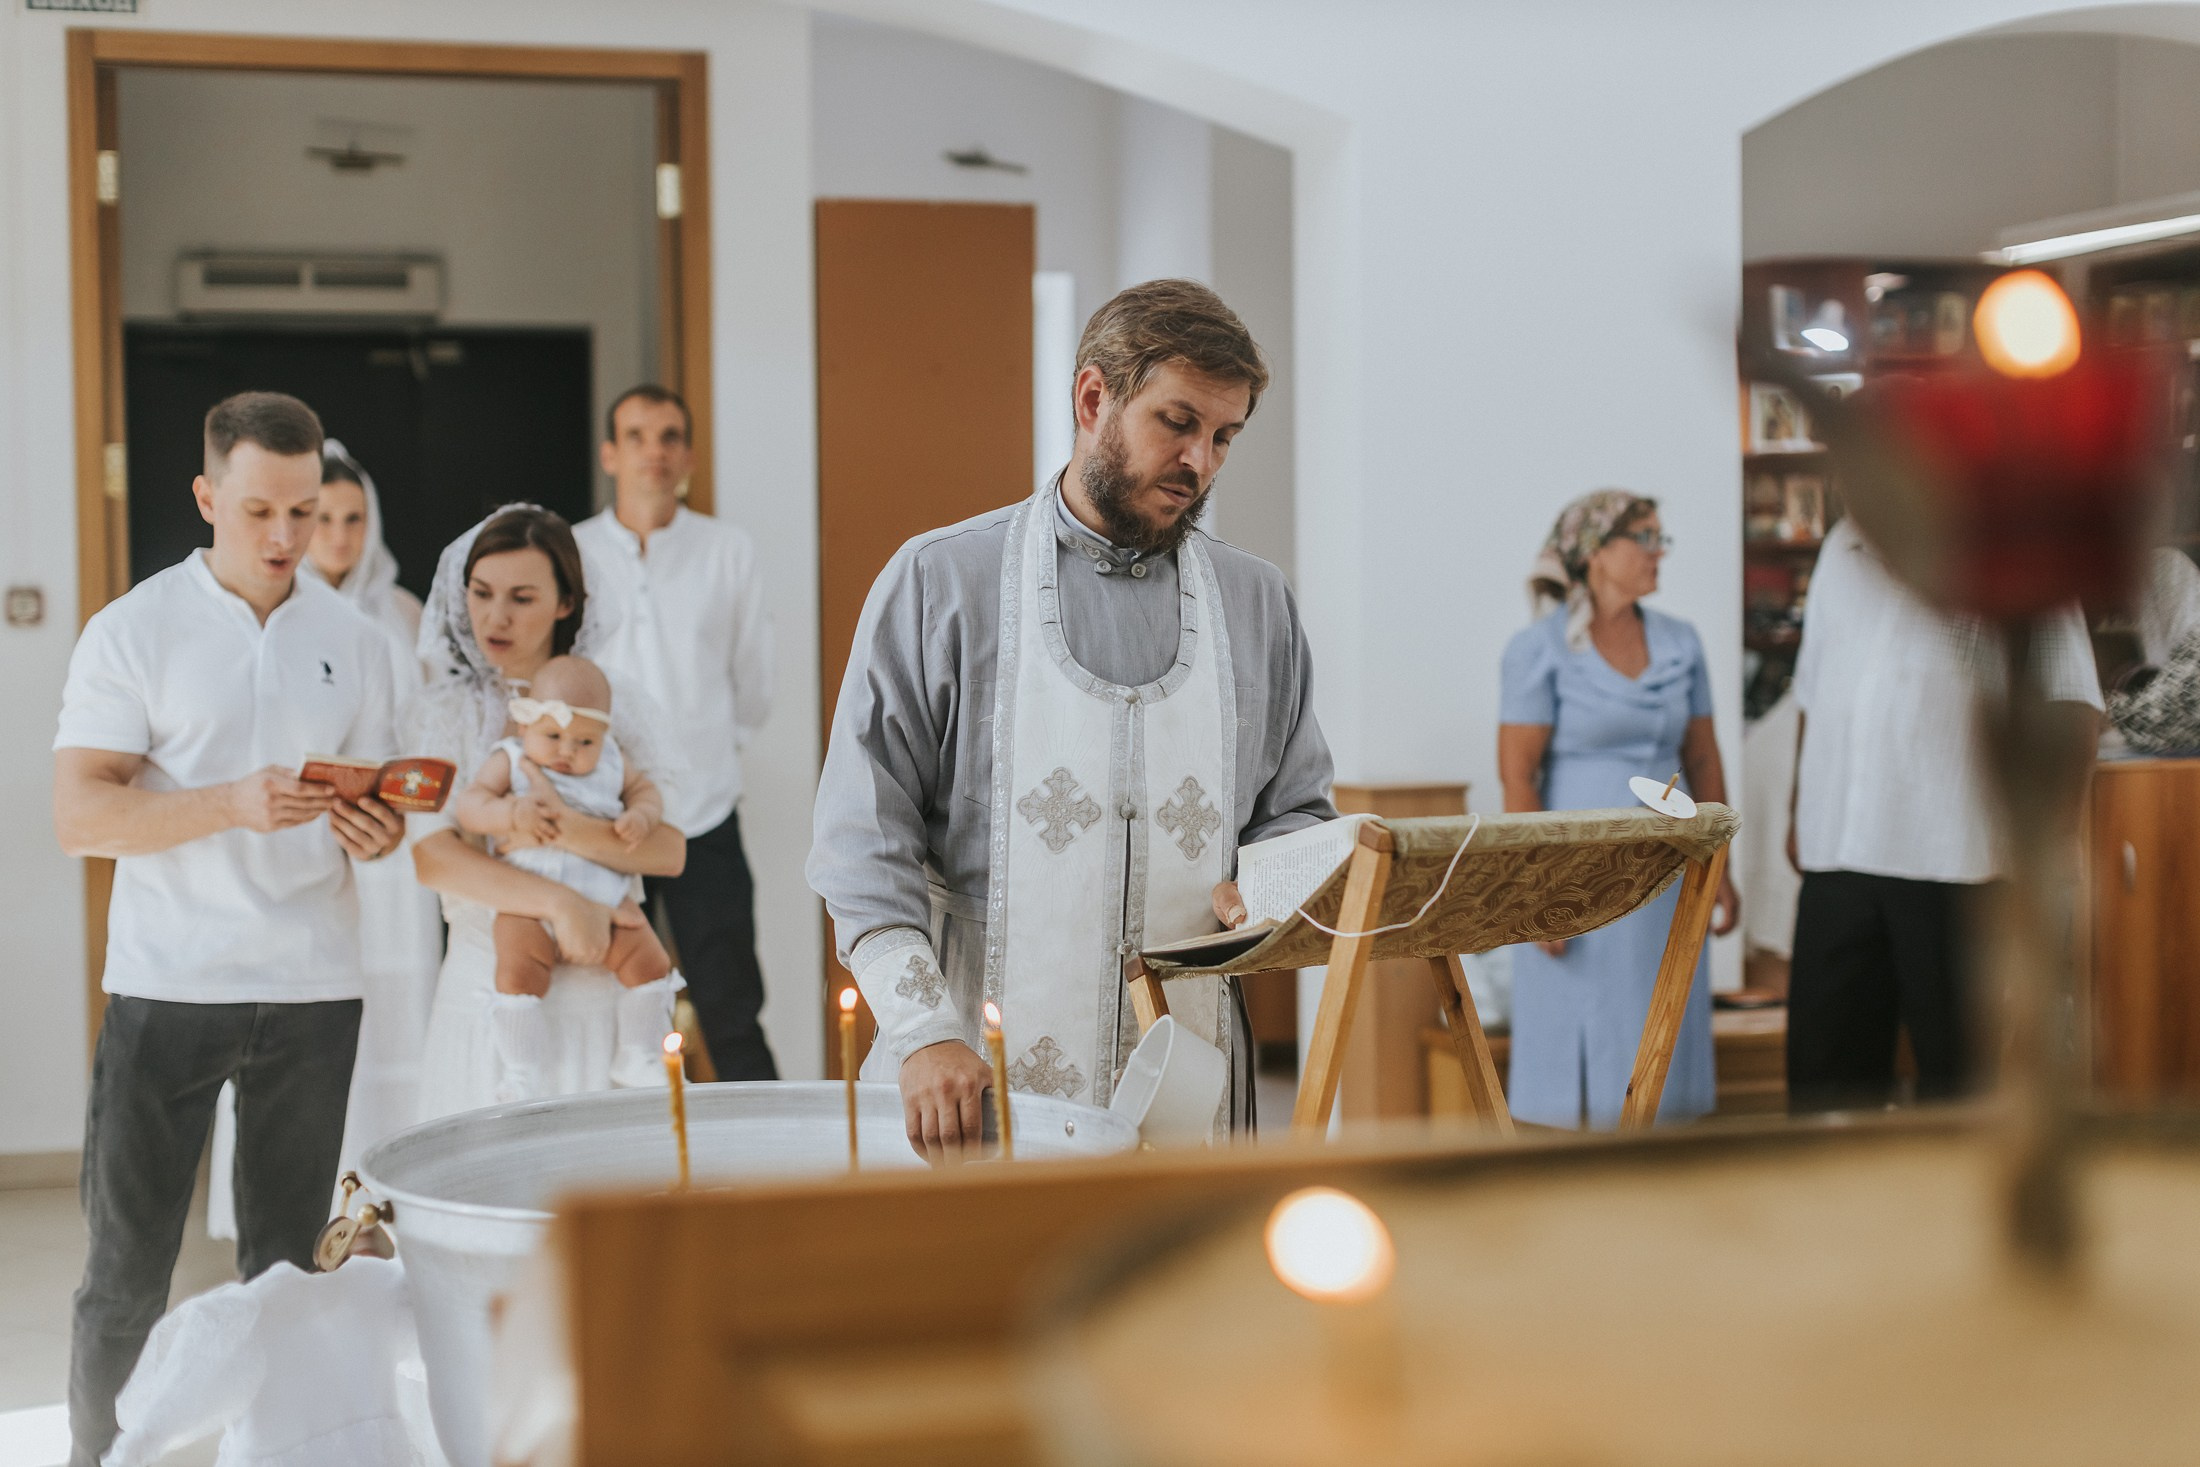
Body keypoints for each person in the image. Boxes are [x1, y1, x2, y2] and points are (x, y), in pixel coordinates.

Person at [809, 279, 1336, 1159]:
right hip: (971, 1071)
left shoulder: (1257, 603)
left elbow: (1298, 811)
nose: (1200, 462)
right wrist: (921, 1030)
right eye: (1177, 423)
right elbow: (862, 838)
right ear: (1095, 398)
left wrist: (1271, 886)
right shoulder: (942, 581)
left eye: (1224, 437)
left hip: (1192, 1081)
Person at [52, 391, 406, 1466]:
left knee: (287, 1271)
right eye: (259, 511)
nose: (288, 539)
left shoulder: (354, 638)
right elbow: (80, 817)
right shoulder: (133, 630)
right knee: (128, 1269)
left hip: (313, 989)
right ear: (207, 496)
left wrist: (375, 827)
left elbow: (382, 827)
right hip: (168, 984)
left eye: (305, 512)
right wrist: (228, 803)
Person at [1784, 515, 2100, 1112]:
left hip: (1955, 860)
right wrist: (1800, 809)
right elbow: (1813, 690)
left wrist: (2054, 843)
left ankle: (1954, 1203)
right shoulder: (1840, 549)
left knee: (1958, 1080)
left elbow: (2070, 703)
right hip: (1836, 855)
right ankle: (1833, 1200)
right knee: (1824, 1076)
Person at [408, 506, 687, 1121]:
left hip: (605, 997)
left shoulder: (618, 705)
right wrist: (561, 903)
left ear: (566, 603)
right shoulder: (444, 713)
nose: (495, 617)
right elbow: (434, 856)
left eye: (521, 597)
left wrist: (560, 821)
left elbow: (668, 850)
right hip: (490, 981)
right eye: (480, 594)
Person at [1498, 489, 1739, 1130]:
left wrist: (1722, 865)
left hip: (1668, 868)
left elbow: (1706, 760)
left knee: (1662, 1013)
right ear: (1597, 554)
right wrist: (1536, 890)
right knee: (1583, 1023)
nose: (1660, 552)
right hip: (1576, 871)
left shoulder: (1682, 642)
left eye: (1663, 538)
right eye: (1646, 538)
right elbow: (1518, 776)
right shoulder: (1540, 648)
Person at [576, 386, 778, 1078]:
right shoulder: (572, 551)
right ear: (610, 452)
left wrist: (702, 754)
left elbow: (754, 685)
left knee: (730, 1008)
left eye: (668, 437)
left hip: (702, 815)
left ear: (687, 455)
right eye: (636, 435)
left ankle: (772, 1181)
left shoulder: (728, 550)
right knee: (602, 1005)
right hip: (600, 821)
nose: (653, 452)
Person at [450, 654, 677, 1099]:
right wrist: (509, 812)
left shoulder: (613, 760)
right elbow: (469, 806)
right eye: (552, 736)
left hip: (605, 893)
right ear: (525, 727)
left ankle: (638, 1054)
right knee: (516, 974)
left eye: (584, 742)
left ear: (604, 735)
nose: (568, 752)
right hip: (528, 896)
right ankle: (521, 1070)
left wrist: (642, 815)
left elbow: (646, 790)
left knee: (651, 962)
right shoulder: (511, 759)